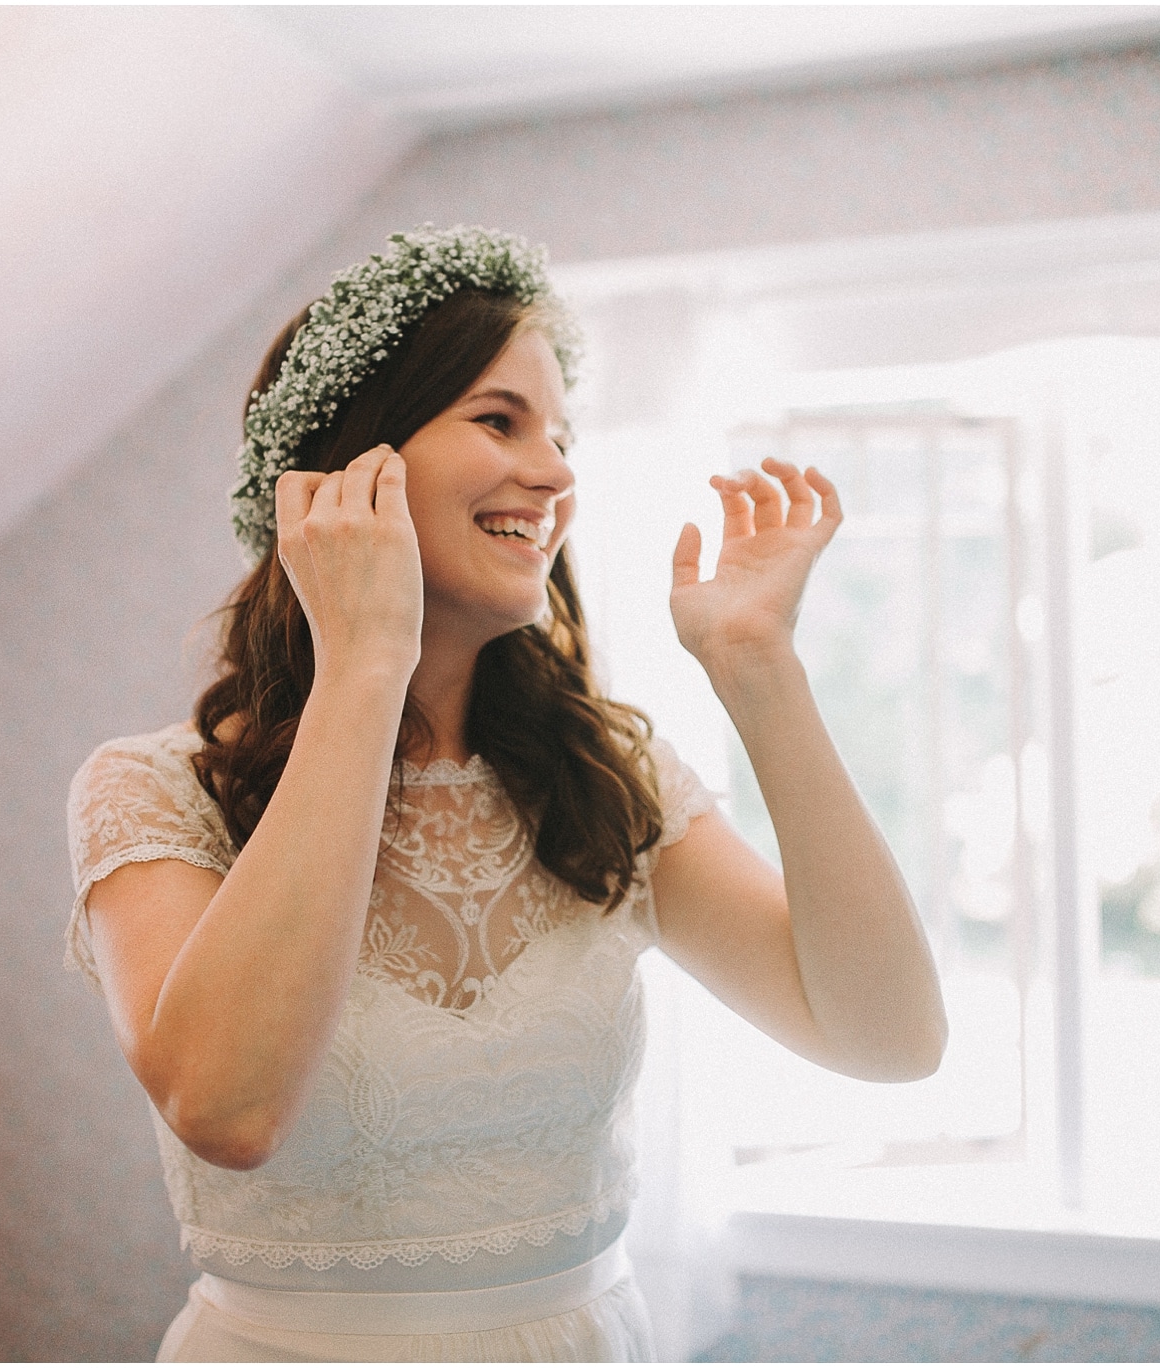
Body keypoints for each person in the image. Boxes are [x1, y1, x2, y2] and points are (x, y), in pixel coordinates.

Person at [66, 225, 947, 1362]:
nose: (556, 472)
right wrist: (365, 664)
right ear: (348, 469)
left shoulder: (606, 784)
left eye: (562, 435)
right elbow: (227, 1112)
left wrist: (756, 671)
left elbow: (888, 1039)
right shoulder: (152, 792)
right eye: (498, 420)